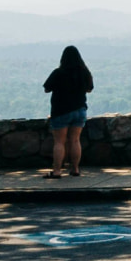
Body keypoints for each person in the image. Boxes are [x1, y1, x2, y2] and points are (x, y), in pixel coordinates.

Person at [42, 45, 94, 178]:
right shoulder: (84, 72)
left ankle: (57, 171)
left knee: (59, 142)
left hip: (61, 111)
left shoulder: (58, 73)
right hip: (80, 110)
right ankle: (75, 169)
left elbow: (47, 88)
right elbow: (89, 89)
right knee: (75, 140)